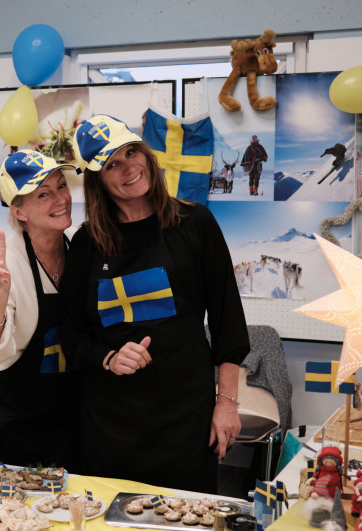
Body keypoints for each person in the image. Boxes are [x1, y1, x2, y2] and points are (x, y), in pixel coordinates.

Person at [61, 115, 250, 494]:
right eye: (112, 164)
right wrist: (109, 358)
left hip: (185, 418)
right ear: (97, 179)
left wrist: (227, 403)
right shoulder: (86, 244)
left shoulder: (195, 223)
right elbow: (72, 336)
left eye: (132, 152)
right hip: (109, 425)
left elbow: (228, 324)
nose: (128, 167)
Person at [0, 150, 80, 469]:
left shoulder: (78, 250)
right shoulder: (8, 263)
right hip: (9, 423)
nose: (60, 199)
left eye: (61, 186)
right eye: (43, 194)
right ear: (19, 211)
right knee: (7, 503)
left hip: (64, 420)